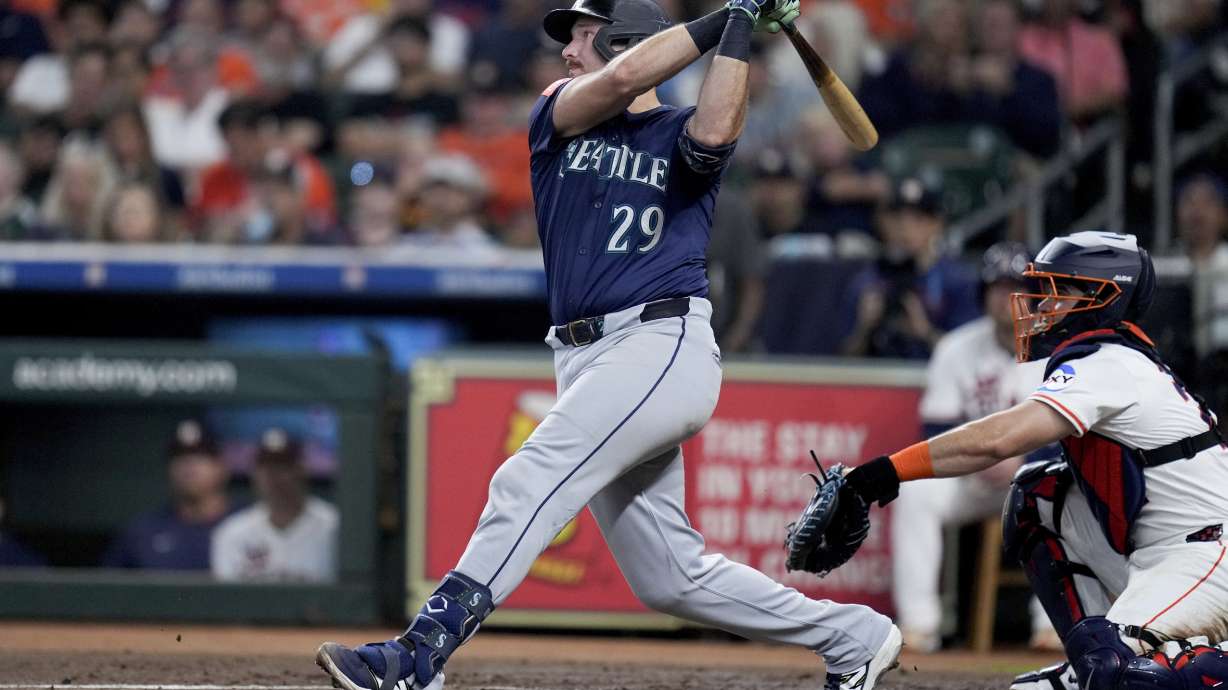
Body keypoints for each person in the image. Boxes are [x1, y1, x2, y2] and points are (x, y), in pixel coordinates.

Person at [315, 1, 903, 689]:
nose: (566, 51)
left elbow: (713, 133)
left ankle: (422, 653)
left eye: (584, 37)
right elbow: (619, 82)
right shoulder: (559, 109)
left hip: (659, 342)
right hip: (586, 356)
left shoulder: (681, 127)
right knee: (670, 578)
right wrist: (727, 14)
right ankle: (853, 637)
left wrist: (739, 23)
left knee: (526, 477)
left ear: (628, 39)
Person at [829, 231, 1228, 690]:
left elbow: (998, 440)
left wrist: (880, 473)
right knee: (1039, 495)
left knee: (1122, 677)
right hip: (1155, 549)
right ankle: (1091, 658)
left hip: (1204, 553)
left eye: (1058, 289)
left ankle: (1126, 663)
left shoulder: (1110, 362)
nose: (1040, 305)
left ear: (1104, 297)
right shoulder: (1103, 356)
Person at [890, 241, 1057, 653]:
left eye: (1016, 286)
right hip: (970, 477)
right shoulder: (956, 348)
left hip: (1034, 476)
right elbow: (935, 429)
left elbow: (1072, 437)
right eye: (997, 287)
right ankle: (918, 626)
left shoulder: (1056, 351)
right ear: (983, 295)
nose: (1006, 297)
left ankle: (1052, 625)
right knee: (915, 492)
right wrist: (980, 455)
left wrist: (1021, 456)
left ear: (1036, 297)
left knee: (1065, 492)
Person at [840, 177, 981, 359]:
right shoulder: (868, 280)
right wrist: (864, 329)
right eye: (897, 218)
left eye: (917, 219)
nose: (905, 228)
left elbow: (972, 359)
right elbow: (842, 360)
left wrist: (925, 332)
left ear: (936, 224)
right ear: (884, 223)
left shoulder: (958, 281)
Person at [211, 428, 338, 583]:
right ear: (254, 474)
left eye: (283, 466)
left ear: (302, 470)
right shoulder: (232, 533)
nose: (274, 475)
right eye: (266, 467)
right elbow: (227, 601)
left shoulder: (334, 526)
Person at [102, 420, 233, 570]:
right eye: (179, 456)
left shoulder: (248, 526)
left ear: (223, 467)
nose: (189, 464)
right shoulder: (141, 533)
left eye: (201, 455)